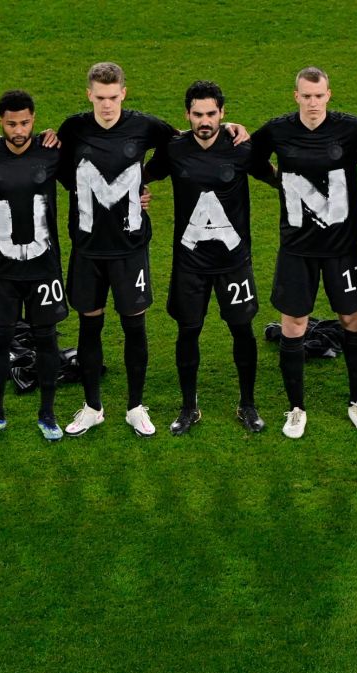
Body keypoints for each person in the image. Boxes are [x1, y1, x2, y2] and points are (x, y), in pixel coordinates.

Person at [248, 67, 357, 438]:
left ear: (329, 95)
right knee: (293, 325)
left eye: (319, 95)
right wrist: (275, 178)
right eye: (306, 96)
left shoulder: (353, 128)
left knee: (353, 321)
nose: (313, 103)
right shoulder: (277, 130)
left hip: (343, 248)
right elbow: (249, 157)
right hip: (297, 248)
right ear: (296, 96)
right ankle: (296, 409)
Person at [143, 80, 277, 435]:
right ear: (187, 115)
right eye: (198, 114)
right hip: (190, 264)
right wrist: (138, 191)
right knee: (188, 332)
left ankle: (247, 405)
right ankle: (189, 408)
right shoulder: (174, 150)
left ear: (223, 114)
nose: (205, 121)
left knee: (242, 331)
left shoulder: (241, 148)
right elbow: (140, 174)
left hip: (234, 262)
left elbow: (277, 179)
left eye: (211, 114)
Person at [58, 62, 177, 438]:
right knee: (89, 327)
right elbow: (59, 168)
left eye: (113, 97)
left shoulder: (145, 126)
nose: (107, 105)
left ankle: (135, 406)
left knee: (133, 326)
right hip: (88, 248)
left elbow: (181, 144)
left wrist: (145, 179)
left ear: (123, 93)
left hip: (129, 249)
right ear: (88, 94)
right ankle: (93, 407)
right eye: (100, 97)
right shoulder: (73, 128)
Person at [0, 90, 68, 441]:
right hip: (2, 270)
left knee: (46, 341)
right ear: (0, 122)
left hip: (43, 268)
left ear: (34, 119)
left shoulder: (52, 149)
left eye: (25, 122)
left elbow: (87, 169)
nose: (18, 130)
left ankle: (48, 414)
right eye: (11, 123)